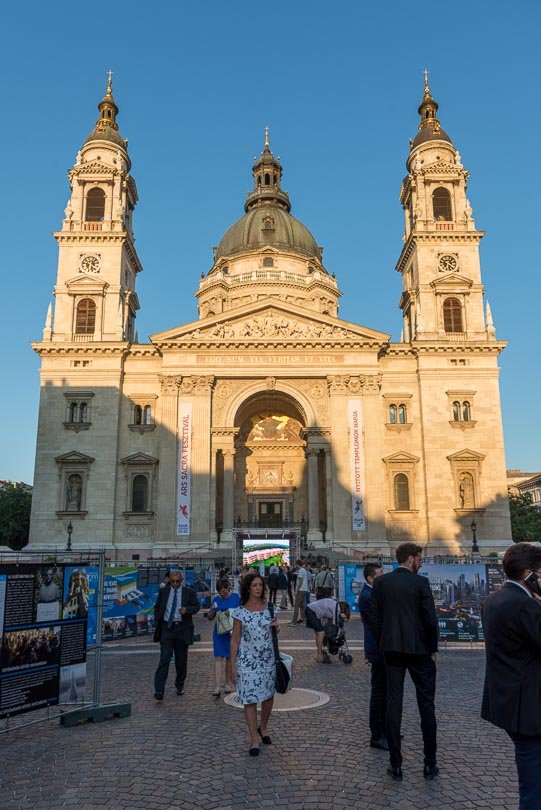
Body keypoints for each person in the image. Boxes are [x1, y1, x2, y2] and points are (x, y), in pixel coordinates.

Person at [367, 542, 439, 781]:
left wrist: (384, 640)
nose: (421, 562)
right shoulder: (421, 582)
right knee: (426, 705)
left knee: (393, 704)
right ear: (410, 559)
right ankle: (430, 764)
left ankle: (395, 765)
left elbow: (374, 617)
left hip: (392, 651)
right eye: (419, 558)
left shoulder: (382, 582)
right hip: (420, 651)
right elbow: (430, 618)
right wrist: (433, 648)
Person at [481, 542, 541, 809]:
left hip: (508, 701)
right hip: (528, 707)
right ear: (529, 574)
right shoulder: (524, 606)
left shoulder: (494, 599)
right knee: (534, 783)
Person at [230, 572, 278, 756]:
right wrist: (231, 665)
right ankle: (254, 739)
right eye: (255, 585)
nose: (258, 588)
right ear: (248, 588)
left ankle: (263, 727)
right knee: (249, 699)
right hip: (247, 662)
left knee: (268, 696)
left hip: (268, 660)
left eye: (260, 585)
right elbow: (235, 640)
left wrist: (276, 627)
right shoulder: (240, 612)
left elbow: (273, 633)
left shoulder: (270, 608)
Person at [152, 568, 200, 700]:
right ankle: (159, 690)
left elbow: (196, 607)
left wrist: (187, 610)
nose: (175, 583)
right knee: (164, 659)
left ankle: (180, 685)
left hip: (181, 629)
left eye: (177, 581)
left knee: (181, 660)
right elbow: (157, 607)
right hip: (167, 628)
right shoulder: (164, 592)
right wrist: (158, 620)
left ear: (181, 580)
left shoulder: (189, 592)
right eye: (172, 580)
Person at [358, 563, 387, 750]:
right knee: (378, 692)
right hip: (378, 649)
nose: (382, 577)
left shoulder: (372, 593)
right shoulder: (368, 596)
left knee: (384, 691)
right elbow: (376, 625)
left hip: (379, 647)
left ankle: (384, 729)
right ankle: (376, 734)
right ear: (370, 578)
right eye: (379, 575)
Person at [207, 578, 240, 696]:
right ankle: (217, 686)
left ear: (229, 588)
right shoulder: (216, 600)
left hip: (232, 633)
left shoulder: (236, 598)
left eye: (224, 591)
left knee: (229, 658)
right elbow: (209, 617)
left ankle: (227, 684)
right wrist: (213, 611)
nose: (222, 594)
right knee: (218, 658)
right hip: (219, 633)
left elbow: (242, 613)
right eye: (220, 591)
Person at [305, 596, 350, 662]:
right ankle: (319, 656)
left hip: (309, 609)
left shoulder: (334, 604)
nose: (342, 613)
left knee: (318, 633)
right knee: (321, 633)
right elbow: (335, 623)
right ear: (343, 609)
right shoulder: (336, 608)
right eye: (343, 612)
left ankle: (319, 654)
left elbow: (325, 614)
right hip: (312, 612)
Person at [288, 560, 309, 625]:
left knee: (297, 605)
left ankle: (294, 621)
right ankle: (305, 619)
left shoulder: (300, 571)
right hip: (305, 589)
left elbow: (300, 582)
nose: (296, 566)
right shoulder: (304, 570)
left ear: (298, 564)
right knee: (303, 606)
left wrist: (296, 590)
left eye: (296, 564)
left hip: (300, 590)